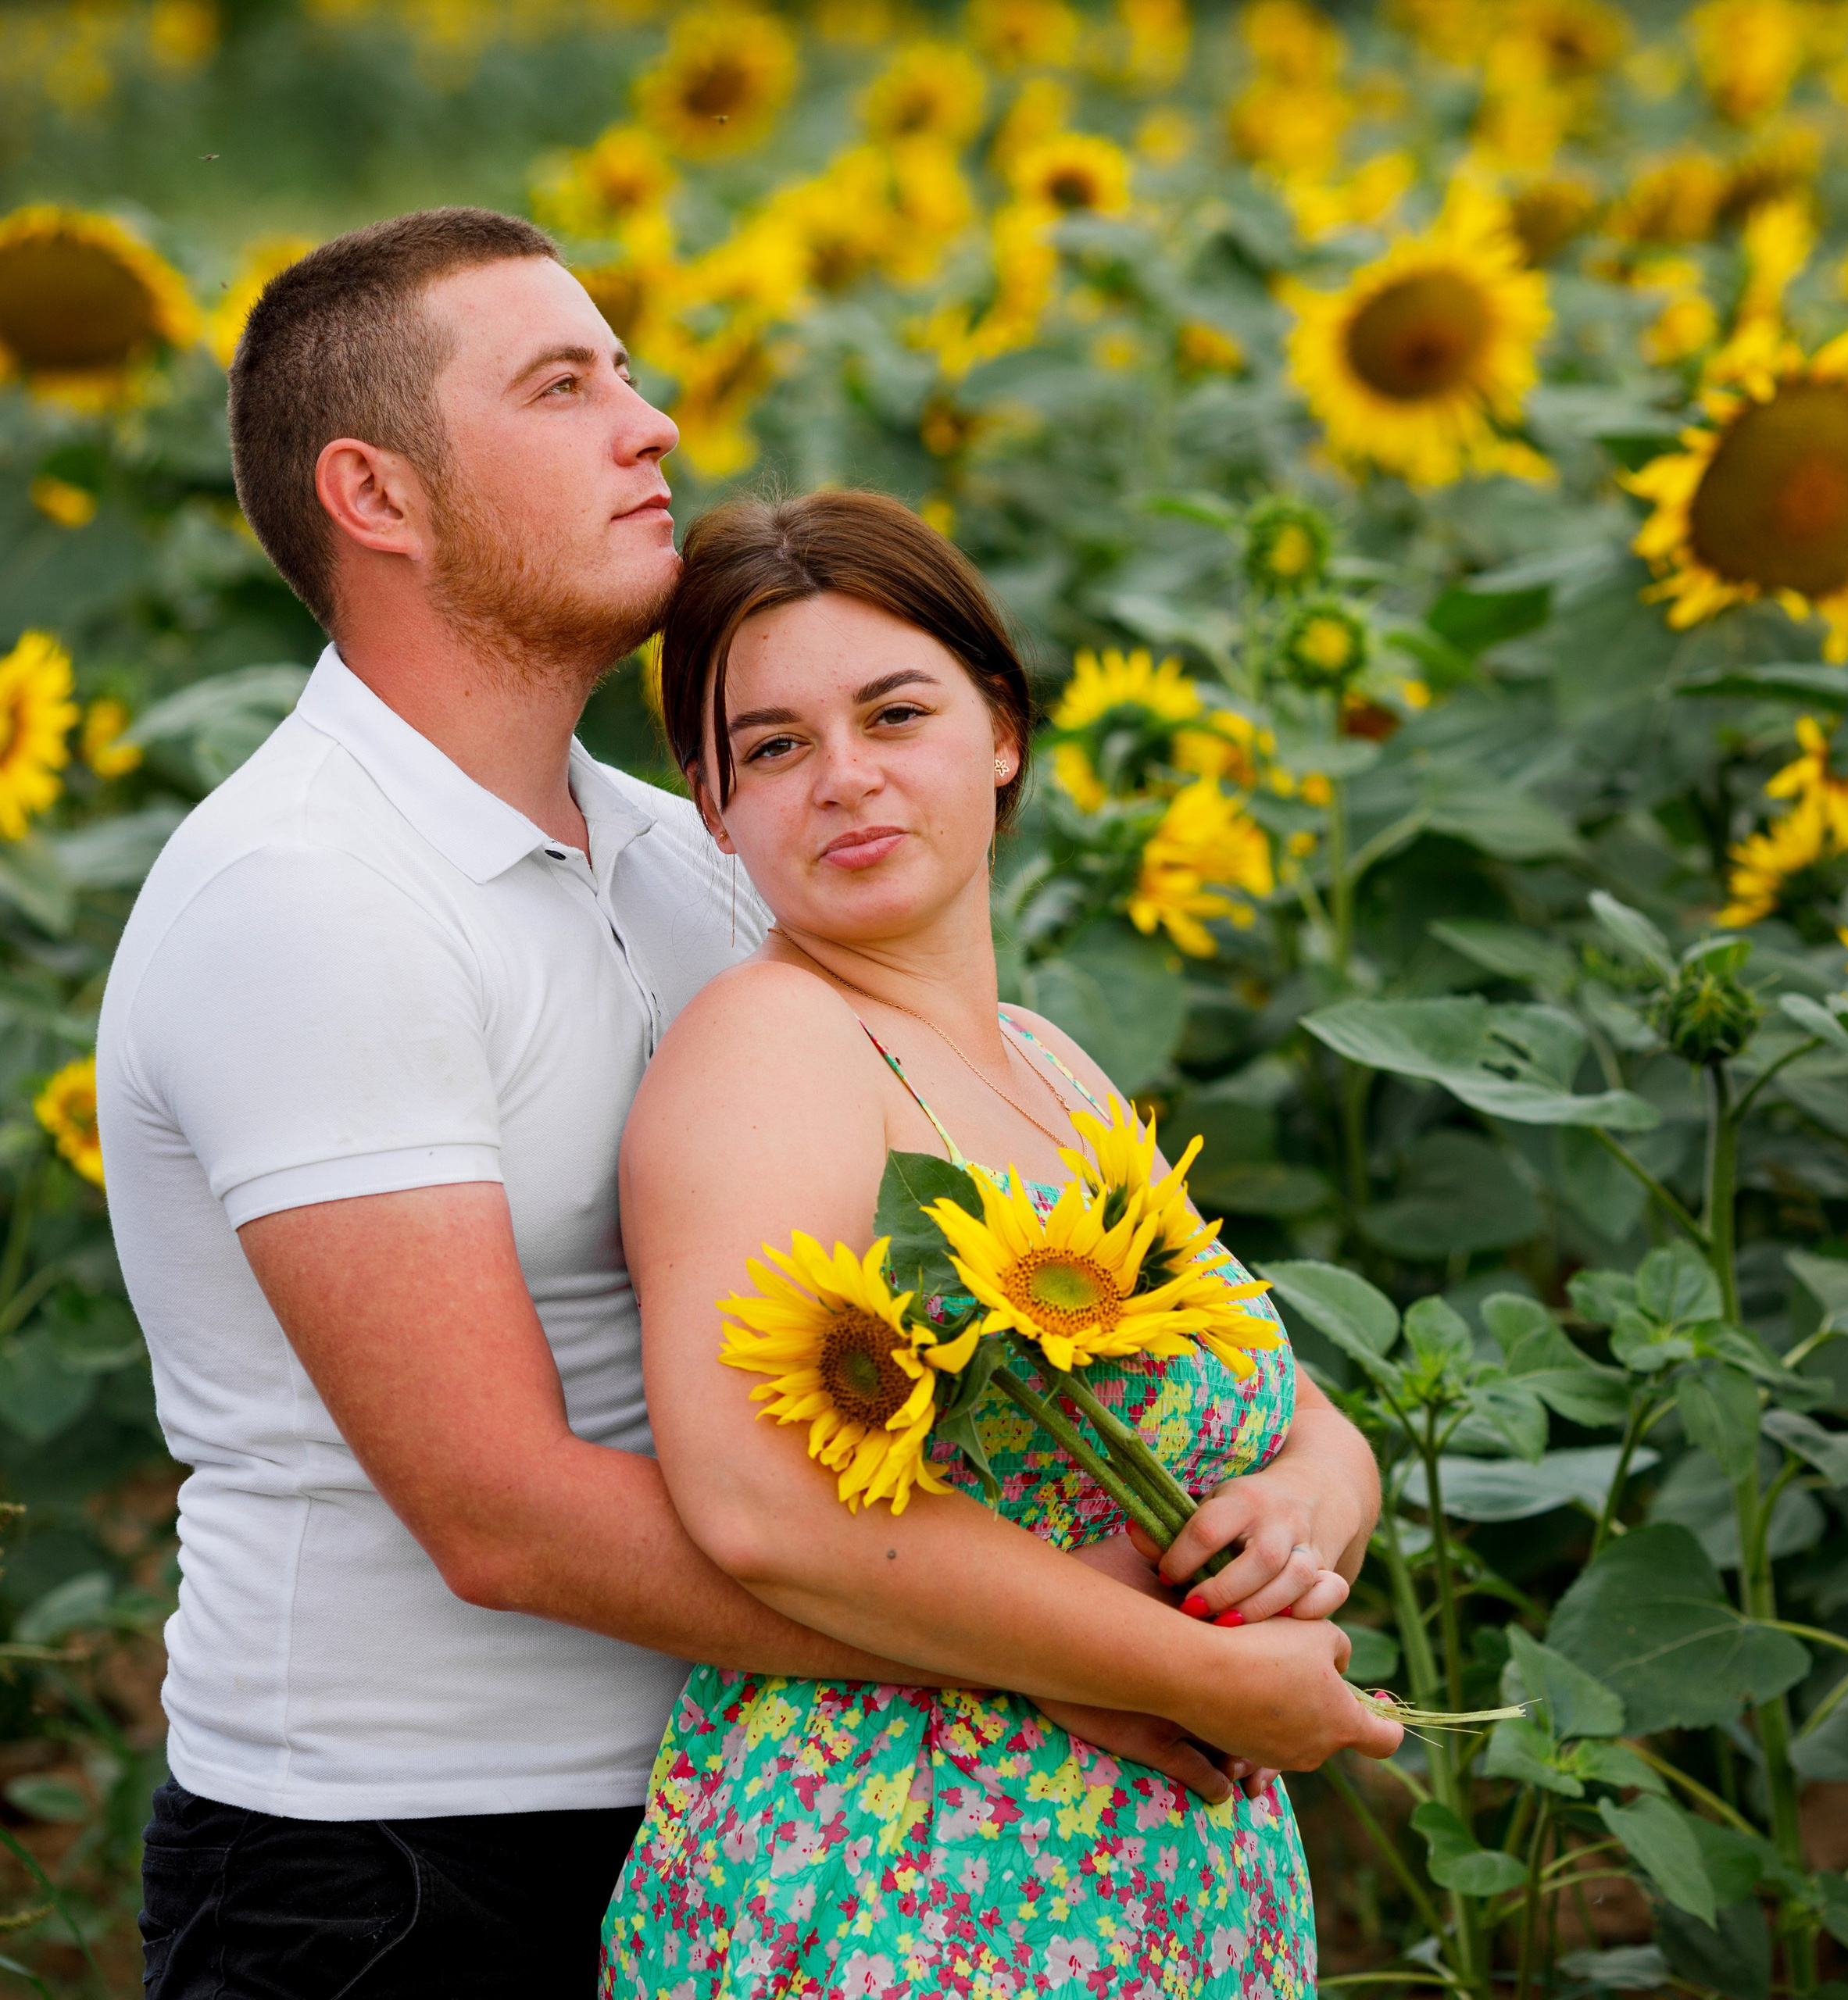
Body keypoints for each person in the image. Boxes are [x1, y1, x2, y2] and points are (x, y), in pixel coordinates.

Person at [95, 209, 1378, 1998]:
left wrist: (1312, 1468)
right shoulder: (307, 895)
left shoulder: (674, 858)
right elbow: (502, 1511)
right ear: (377, 496)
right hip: (396, 1860)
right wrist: (1082, 1653)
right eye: (564, 385)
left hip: (750, 1789)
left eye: (628, 370)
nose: (652, 425)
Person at [603, 490, 1403, 1998]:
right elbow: (760, 1507)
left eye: (895, 712)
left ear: (1003, 731)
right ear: (713, 804)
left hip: (1141, 1891)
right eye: (774, 747)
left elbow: (1276, 1397)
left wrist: (1315, 1492)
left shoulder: (1046, 1059)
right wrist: (1213, 1675)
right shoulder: (772, 1047)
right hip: (908, 1885)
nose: (845, 779)